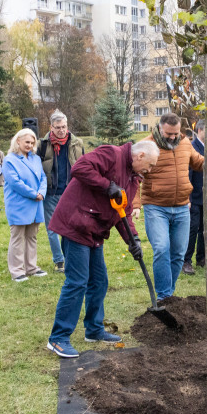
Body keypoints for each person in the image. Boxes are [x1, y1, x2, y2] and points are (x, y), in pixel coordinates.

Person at [46, 140, 159, 358]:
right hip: (75, 222)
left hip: (94, 229)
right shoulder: (112, 154)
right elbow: (79, 168)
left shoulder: (133, 177)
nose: (150, 170)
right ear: (140, 156)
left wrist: (133, 239)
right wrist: (107, 185)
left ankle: (94, 330)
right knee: (77, 282)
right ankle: (58, 338)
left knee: (99, 281)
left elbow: (123, 211)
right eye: (151, 165)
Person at [140, 113, 207, 300]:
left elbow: (199, 162)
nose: (173, 137)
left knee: (179, 254)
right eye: (168, 134)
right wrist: (134, 204)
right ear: (159, 128)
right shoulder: (147, 145)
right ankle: (164, 296)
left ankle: (168, 294)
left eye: (176, 133)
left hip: (181, 207)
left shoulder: (184, 143)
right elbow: (134, 174)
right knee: (162, 248)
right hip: (156, 207)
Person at [37, 110, 85, 272]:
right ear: (51, 127)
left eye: (64, 126)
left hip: (71, 192)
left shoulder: (77, 143)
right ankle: (59, 261)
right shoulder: (42, 144)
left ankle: (70, 258)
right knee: (52, 229)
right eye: (58, 127)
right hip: (51, 192)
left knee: (70, 228)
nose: (61, 130)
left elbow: (84, 165)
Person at [3, 128, 48, 282]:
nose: (29, 145)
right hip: (19, 204)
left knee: (32, 236)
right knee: (18, 237)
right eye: (27, 142)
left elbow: (43, 177)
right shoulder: (10, 160)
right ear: (18, 141)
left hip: (36, 203)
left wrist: (41, 192)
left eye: (32, 142)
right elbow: (15, 182)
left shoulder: (35, 158)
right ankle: (17, 271)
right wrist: (33, 194)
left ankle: (31, 267)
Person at [182, 120, 207, 274]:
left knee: (206, 229)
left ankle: (201, 258)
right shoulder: (191, 148)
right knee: (192, 228)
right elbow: (188, 174)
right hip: (194, 197)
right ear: (200, 130)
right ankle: (185, 261)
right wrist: (187, 198)